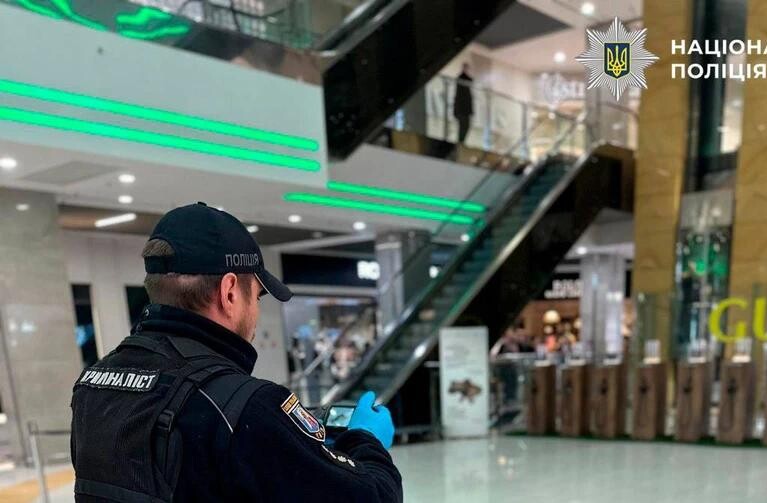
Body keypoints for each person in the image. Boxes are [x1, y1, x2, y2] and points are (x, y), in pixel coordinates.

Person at [70, 202, 402, 502]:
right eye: (256, 296)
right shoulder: (245, 408)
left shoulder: (93, 385)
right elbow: (373, 496)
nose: (255, 311)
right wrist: (366, 440)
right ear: (229, 292)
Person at [453, 62, 474, 145]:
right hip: (462, 109)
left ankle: (461, 142)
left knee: (466, 126)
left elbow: (471, 80)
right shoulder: (461, 79)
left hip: (465, 110)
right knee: (463, 126)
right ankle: (460, 142)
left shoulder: (465, 81)